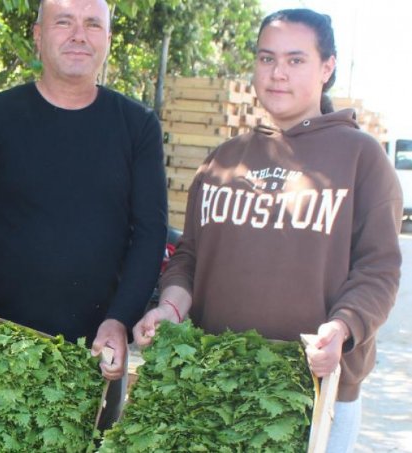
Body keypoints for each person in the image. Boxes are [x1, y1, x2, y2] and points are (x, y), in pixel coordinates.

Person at [133, 9, 401, 453]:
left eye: (296, 60)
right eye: (266, 58)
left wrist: (343, 327)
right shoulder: (223, 160)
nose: (278, 74)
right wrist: (170, 310)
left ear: (327, 67)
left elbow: (379, 270)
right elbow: (189, 258)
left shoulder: (362, 159)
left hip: (315, 393)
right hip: (212, 383)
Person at [0, 0, 167, 428]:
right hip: (2, 343)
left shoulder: (137, 126)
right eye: (65, 22)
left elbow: (150, 234)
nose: (79, 34)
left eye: (92, 24)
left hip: (97, 353)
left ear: (108, 41)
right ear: (39, 35)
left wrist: (120, 319)